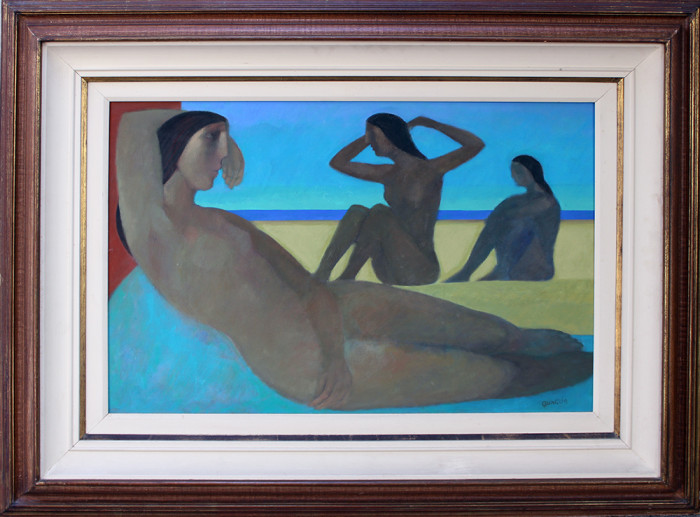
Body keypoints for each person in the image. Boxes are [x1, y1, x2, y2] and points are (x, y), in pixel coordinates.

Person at [116, 109, 591, 411]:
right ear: (171, 147)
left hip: (333, 305)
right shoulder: (155, 234)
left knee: (500, 334)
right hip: (301, 361)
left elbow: (307, 286)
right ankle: (598, 382)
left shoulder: (225, 221)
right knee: (496, 375)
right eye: (213, 139)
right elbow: (134, 125)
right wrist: (332, 357)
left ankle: (535, 343)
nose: (224, 153)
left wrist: (218, 131)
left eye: (226, 140)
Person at [314, 113, 484, 286]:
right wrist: (368, 136)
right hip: (389, 267)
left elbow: (475, 145)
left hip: (420, 269)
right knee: (356, 212)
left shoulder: (431, 169)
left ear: (391, 135)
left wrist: (431, 123)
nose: (369, 141)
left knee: (380, 213)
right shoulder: (388, 173)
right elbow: (338, 163)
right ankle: (321, 275)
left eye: (373, 135)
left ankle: (347, 277)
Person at [446, 155, 561, 283]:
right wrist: (499, 216)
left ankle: (496, 270)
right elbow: (495, 218)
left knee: (516, 224)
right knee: (498, 225)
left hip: (537, 268)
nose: (514, 176)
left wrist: (501, 216)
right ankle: (468, 272)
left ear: (533, 173)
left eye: (519, 172)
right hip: (512, 266)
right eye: (513, 172)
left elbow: (517, 214)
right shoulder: (515, 200)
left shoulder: (547, 201)